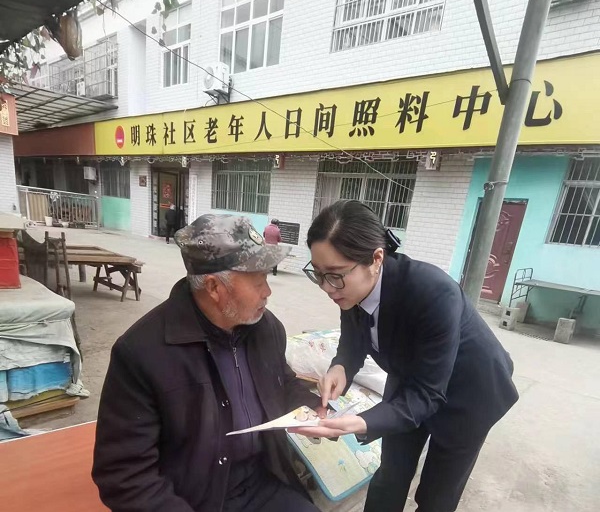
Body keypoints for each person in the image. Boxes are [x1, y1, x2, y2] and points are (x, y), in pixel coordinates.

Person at [293, 200, 519, 512]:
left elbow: (428, 394)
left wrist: (359, 422)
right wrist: (341, 366)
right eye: (318, 274)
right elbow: (354, 338)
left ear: (376, 259)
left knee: (437, 495)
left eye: (335, 275)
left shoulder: (433, 292)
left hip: (470, 392)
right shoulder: (350, 290)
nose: (327, 288)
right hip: (412, 378)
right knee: (390, 475)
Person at [92, 213, 323, 512]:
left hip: (262, 483)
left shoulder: (266, 328)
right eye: (258, 281)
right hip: (191, 500)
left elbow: (282, 381)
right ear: (214, 287)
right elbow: (124, 475)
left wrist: (312, 408)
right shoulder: (142, 353)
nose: (267, 292)